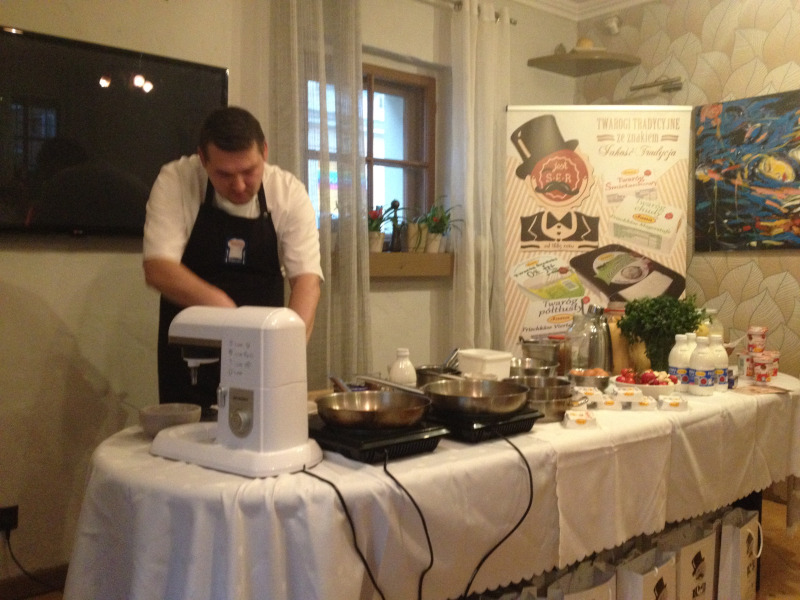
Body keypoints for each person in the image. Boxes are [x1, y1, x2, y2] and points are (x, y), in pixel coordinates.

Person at [143, 106, 322, 415]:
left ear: (264, 151)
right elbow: (158, 268)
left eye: (249, 171)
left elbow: (307, 282)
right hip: (191, 359)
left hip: (263, 355)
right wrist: (228, 312)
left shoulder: (288, 192)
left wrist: (287, 350)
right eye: (224, 174)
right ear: (203, 159)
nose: (239, 185)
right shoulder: (177, 180)